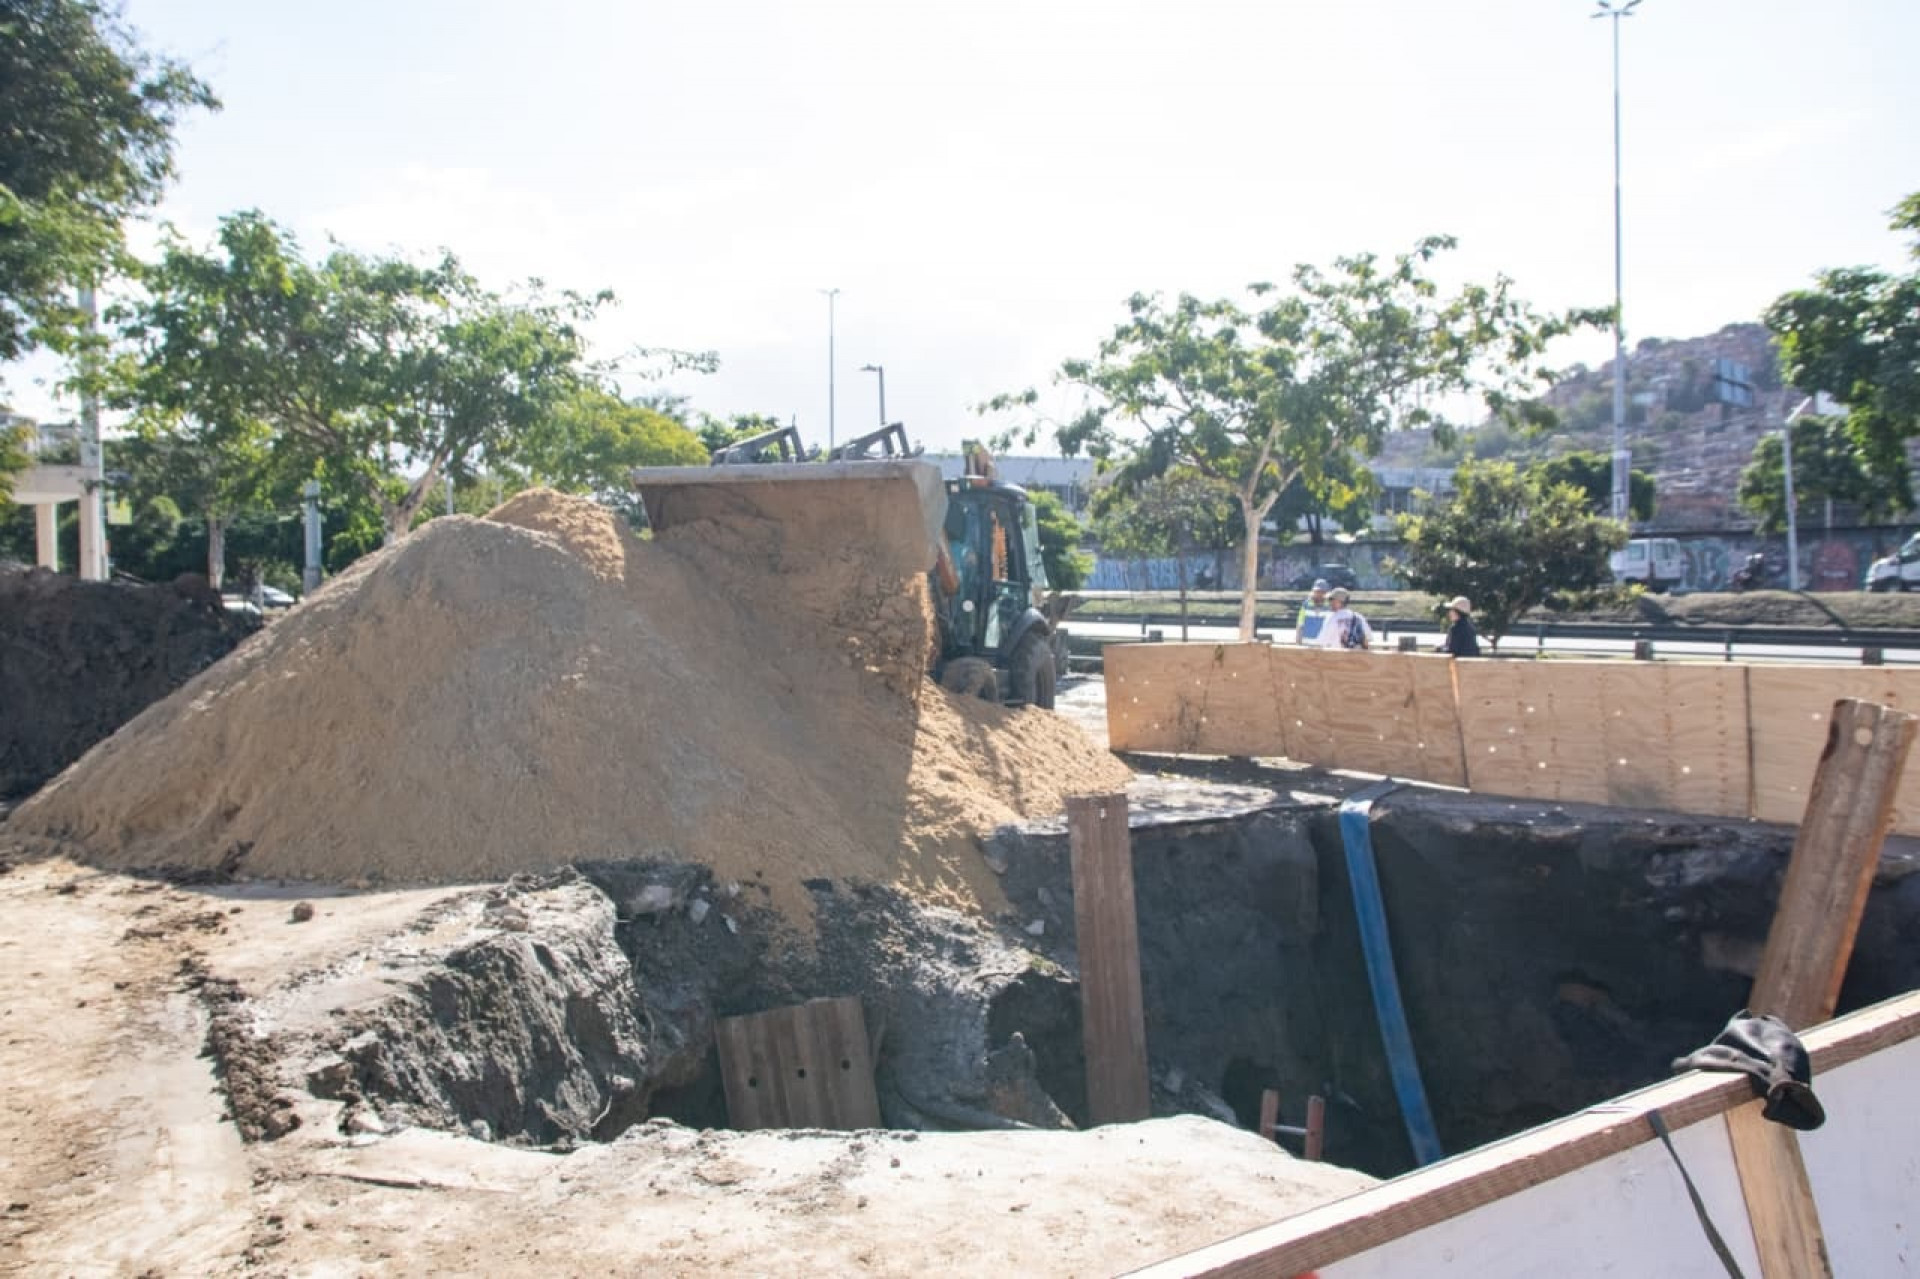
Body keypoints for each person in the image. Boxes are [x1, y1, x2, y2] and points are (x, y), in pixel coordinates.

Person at [1316, 586, 1372, 650]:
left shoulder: (1331, 618)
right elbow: (1368, 638)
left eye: (1331, 599)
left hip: (1336, 657)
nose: (1329, 602)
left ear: (1338, 601)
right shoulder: (1358, 617)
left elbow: (1321, 642)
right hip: (1357, 658)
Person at [1295, 579, 1331, 645]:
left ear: (1326, 593)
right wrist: (1298, 641)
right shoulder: (1305, 605)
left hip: (1323, 646)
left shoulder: (1330, 607)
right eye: (1317, 591)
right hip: (1307, 645)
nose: (1319, 594)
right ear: (1313, 591)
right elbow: (1300, 624)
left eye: (1321, 592)